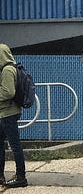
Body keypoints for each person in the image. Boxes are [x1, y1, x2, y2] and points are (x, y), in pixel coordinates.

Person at [0, 44, 28, 188]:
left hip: (8, 113)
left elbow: (8, 92)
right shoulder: (8, 69)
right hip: (5, 113)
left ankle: (21, 177)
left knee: (15, 146)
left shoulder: (7, 70)